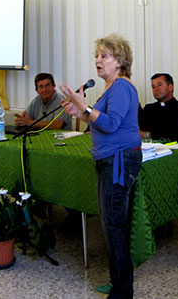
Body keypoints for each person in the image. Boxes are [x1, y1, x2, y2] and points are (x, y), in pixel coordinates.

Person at [60, 34, 142, 298]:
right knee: (113, 224)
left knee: (115, 226)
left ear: (119, 61)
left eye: (104, 56)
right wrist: (79, 112)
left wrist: (83, 105)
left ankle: (122, 291)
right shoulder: (111, 88)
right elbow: (98, 123)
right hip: (109, 159)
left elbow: (110, 125)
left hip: (118, 161)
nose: (98, 60)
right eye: (97, 55)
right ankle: (119, 282)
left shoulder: (121, 87)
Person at [139, 73, 178, 142]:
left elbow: (175, 136)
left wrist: (148, 135)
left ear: (170, 87)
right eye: (153, 87)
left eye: (159, 85)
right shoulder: (149, 108)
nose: (156, 89)